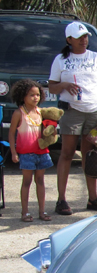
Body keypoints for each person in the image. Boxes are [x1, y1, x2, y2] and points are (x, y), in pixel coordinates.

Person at [48, 21, 97, 215]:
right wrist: (64, 85)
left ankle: (92, 198)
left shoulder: (96, 57)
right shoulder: (60, 60)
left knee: (89, 155)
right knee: (66, 153)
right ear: (69, 40)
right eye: (79, 37)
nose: (84, 40)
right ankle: (62, 200)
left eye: (86, 36)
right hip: (72, 111)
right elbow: (51, 87)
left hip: (92, 111)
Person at [7, 80, 53, 222]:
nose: (35, 98)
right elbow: (11, 133)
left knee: (40, 181)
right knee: (26, 182)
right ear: (22, 97)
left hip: (42, 153)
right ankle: (25, 212)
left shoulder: (42, 112)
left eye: (38, 95)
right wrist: (14, 152)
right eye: (31, 95)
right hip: (26, 154)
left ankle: (42, 211)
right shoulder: (18, 113)